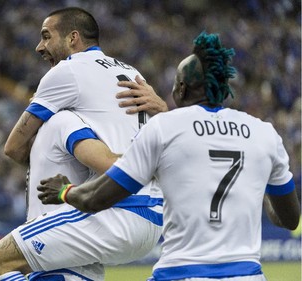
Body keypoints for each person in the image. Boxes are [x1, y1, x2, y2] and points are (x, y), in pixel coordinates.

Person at [37, 31, 301, 281]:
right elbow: (290, 220)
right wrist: (259, 189)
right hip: (249, 274)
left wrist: (64, 191)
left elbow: (95, 198)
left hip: (180, 272)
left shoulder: (163, 128)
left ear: (181, 89)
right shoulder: (265, 134)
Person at [0, 7, 167, 281]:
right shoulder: (131, 72)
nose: (39, 47)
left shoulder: (67, 73)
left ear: (73, 38)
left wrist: (49, 163)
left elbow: (14, 147)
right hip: (152, 214)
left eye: (46, 36)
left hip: (118, 209)